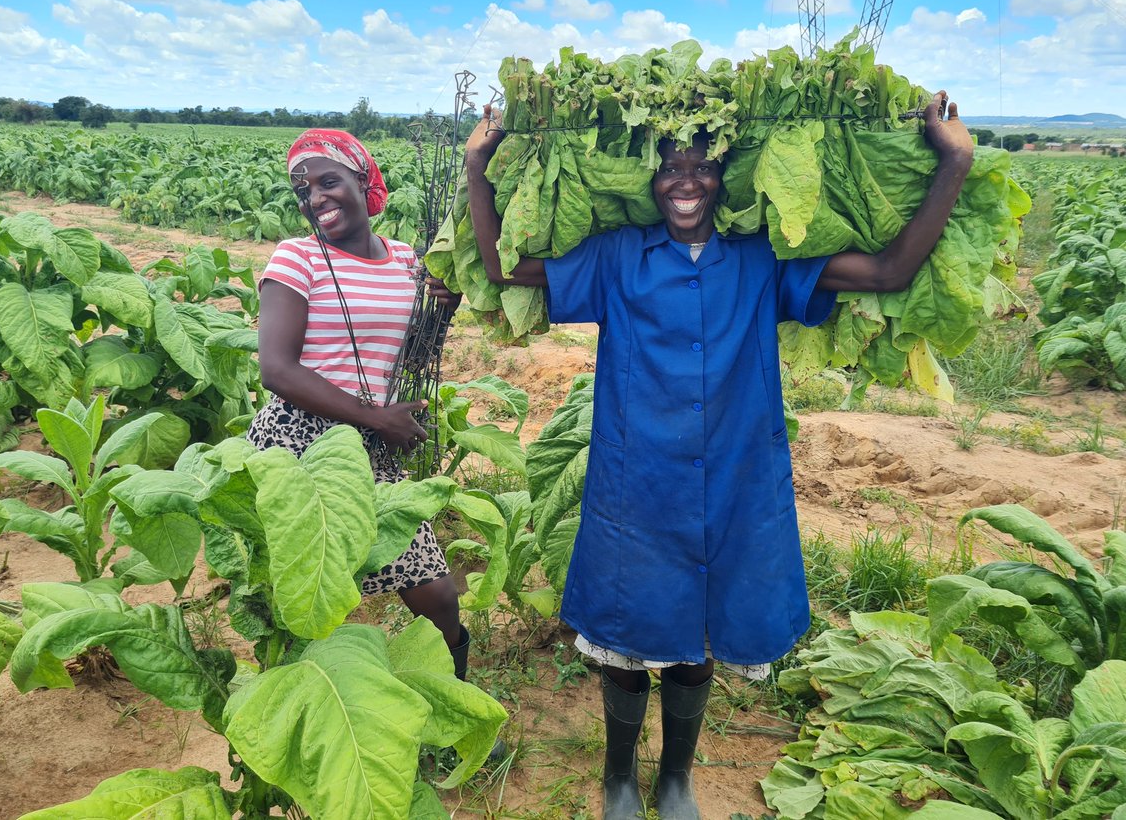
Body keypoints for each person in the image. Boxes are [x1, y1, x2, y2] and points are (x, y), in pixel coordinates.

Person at [465, 92, 974, 820]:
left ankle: (676, 777)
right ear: (649, 180)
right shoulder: (619, 256)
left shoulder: (761, 257)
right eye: (671, 168)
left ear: (724, 177)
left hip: (735, 477)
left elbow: (889, 271)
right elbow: (503, 267)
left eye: (702, 167)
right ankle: (619, 777)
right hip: (637, 480)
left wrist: (954, 162)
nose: (686, 182)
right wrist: (477, 164)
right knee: (628, 626)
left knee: (699, 630)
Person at [246, 128, 474, 678]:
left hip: (373, 441)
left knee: (438, 595)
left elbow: (415, 355)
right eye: (303, 190)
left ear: (363, 180)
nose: (316, 197)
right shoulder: (296, 257)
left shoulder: (407, 260)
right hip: (300, 443)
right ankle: (299, 693)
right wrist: (374, 417)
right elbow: (277, 368)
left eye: (328, 181)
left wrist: (445, 308)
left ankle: (454, 700)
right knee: (306, 591)